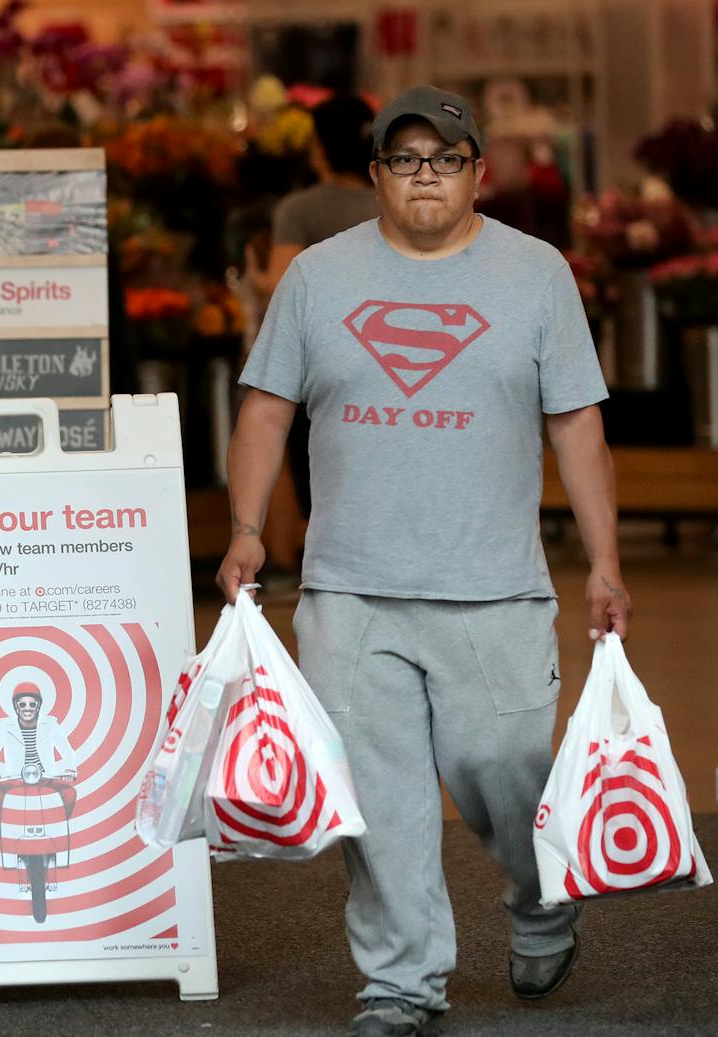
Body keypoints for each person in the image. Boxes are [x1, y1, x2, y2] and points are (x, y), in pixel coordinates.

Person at [216, 85, 631, 1037]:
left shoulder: (536, 276)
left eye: (445, 159)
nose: (425, 177)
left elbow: (576, 425)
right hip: (350, 588)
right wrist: (247, 528)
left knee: (507, 762)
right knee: (380, 799)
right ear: (374, 178)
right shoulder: (318, 278)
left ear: (479, 172)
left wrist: (603, 559)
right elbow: (266, 410)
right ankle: (401, 980)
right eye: (404, 161)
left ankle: (539, 897)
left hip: (495, 586)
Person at [250, 93, 382, 520]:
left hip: (321, 363)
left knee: (321, 480)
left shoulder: (300, 209)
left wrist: (253, 277)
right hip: (392, 358)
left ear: (319, 150)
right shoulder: (394, 202)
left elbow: (281, 284)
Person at [0, 683, 77, 783]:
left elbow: (66, 750)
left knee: (70, 794)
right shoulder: (4, 726)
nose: (27, 708)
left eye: (32, 704)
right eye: (22, 704)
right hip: (16, 780)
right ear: (16, 706)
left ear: (38, 706)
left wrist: (69, 769)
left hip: (46, 778)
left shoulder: (51, 724)